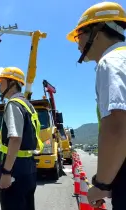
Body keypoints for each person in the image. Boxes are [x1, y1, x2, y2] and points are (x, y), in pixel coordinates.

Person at [66, 2, 126, 209]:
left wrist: (101, 183)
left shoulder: (110, 61)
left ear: (97, 31)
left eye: (79, 35)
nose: (77, 44)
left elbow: (118, 126)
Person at [0, 67, 43, 210]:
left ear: (12, 83)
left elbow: (15, 139)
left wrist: (7, 172)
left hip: (16, 169)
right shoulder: (28, 105)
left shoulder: (13, 104)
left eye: (1, 81)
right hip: (28, 167)